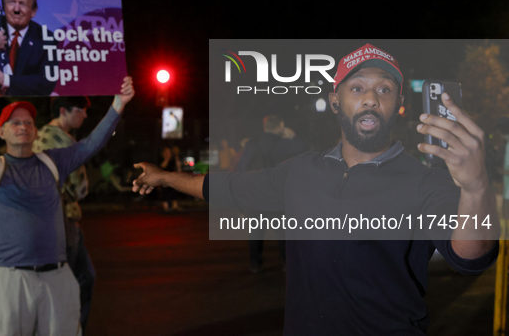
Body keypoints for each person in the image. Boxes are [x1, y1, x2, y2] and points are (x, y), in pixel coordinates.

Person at [132, 44, 500, 335]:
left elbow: (470, 256)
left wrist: (476, 186)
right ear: (336, 100)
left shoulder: (424, 180)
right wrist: (164, 177)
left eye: (384, 89)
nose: (370, 98)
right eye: (357, 88)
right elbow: (226, 187)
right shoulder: (301, 170)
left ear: (399, 105)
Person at [0, 74, 134, 336]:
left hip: (57, 278)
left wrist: (118, 104)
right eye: (15, 123)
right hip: (10, 280)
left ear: (36, 131)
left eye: (28, 122)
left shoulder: (52, 162)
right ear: (1, 132)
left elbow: (91, 144)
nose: (23, 126)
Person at [32, 96, 94, 334]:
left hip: (41, 220)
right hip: (64, 220)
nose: (85, 115)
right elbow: (81, 189)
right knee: (81, 280)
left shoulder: (38, 136)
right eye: (81, 110)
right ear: (64, 111)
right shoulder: (66, 142)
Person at [234, 116, 308, 273]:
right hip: (277, 197)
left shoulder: (252, 144)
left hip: (255, 196)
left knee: (255, 232)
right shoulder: (284, 144)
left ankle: (255, 263)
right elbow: (304, 153)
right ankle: (287, 264)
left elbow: (242, 168)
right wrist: (292, 136)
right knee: (283, 233)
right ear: (280, 127)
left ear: (265, 126)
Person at [159, 147, 182, 211]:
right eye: (166, 152)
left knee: (174, 191)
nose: (168, 154)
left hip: (172, 179)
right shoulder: (161, 159)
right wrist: (167, 158)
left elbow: (179, 170)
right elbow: (163, 166)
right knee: (165, 191)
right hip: (164, 179)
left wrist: (177, 159)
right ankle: (166, 206)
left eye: (169, 152)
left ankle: (175, 205)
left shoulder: (173, 161)